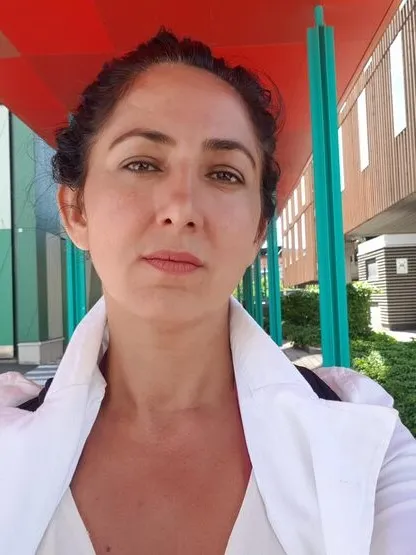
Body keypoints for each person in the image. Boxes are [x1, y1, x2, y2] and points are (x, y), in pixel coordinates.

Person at [0, 29, 415, 555]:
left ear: (258, 230)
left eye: (223, 174)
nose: (182, 209)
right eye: (142, 163)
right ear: (76, 210)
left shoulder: (365, 442)